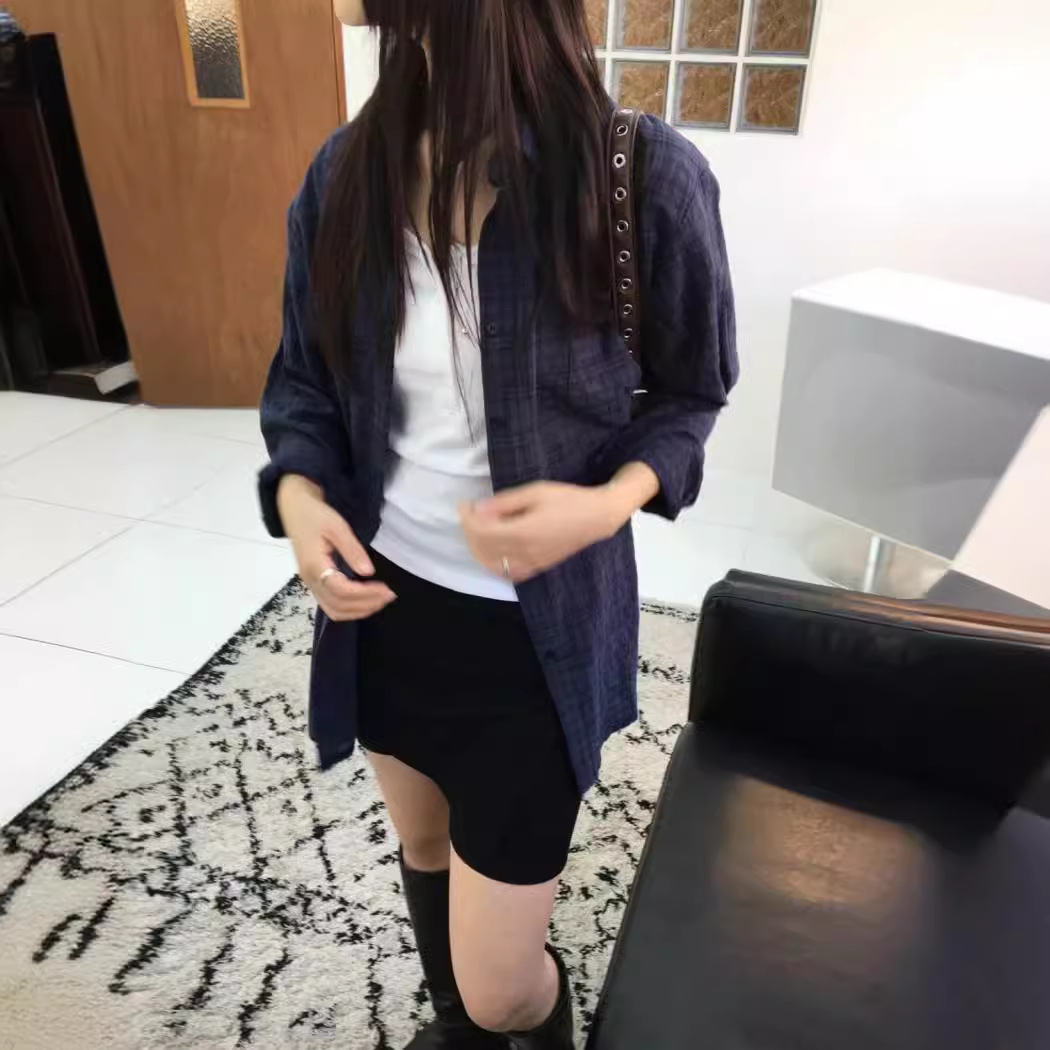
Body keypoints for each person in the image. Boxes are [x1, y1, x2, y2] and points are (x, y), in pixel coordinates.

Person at [259, 1, 737, 1046]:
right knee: (425, 847)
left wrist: (606, 503)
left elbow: (693, 393)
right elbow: (302, 381)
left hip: (533, 642)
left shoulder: (637, 176)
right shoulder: (348, 172)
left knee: (504, 988)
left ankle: (495, 1022)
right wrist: (298, 496)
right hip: (383, 612)